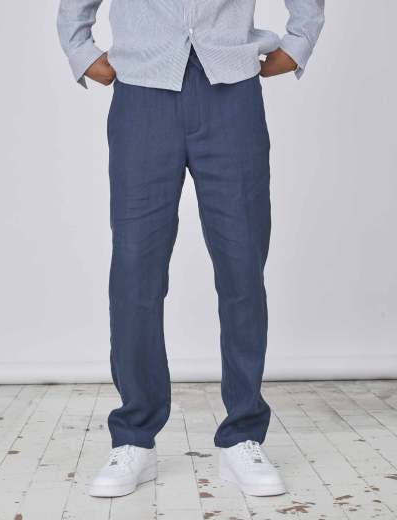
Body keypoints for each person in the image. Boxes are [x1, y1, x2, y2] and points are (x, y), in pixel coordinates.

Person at [57, 0, 324, 498]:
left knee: (242, 266)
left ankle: (243, 434)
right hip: (142, 93)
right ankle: (134, 436)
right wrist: (80, 50)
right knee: (135, 270)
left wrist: (299, 41)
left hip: (232, 92)